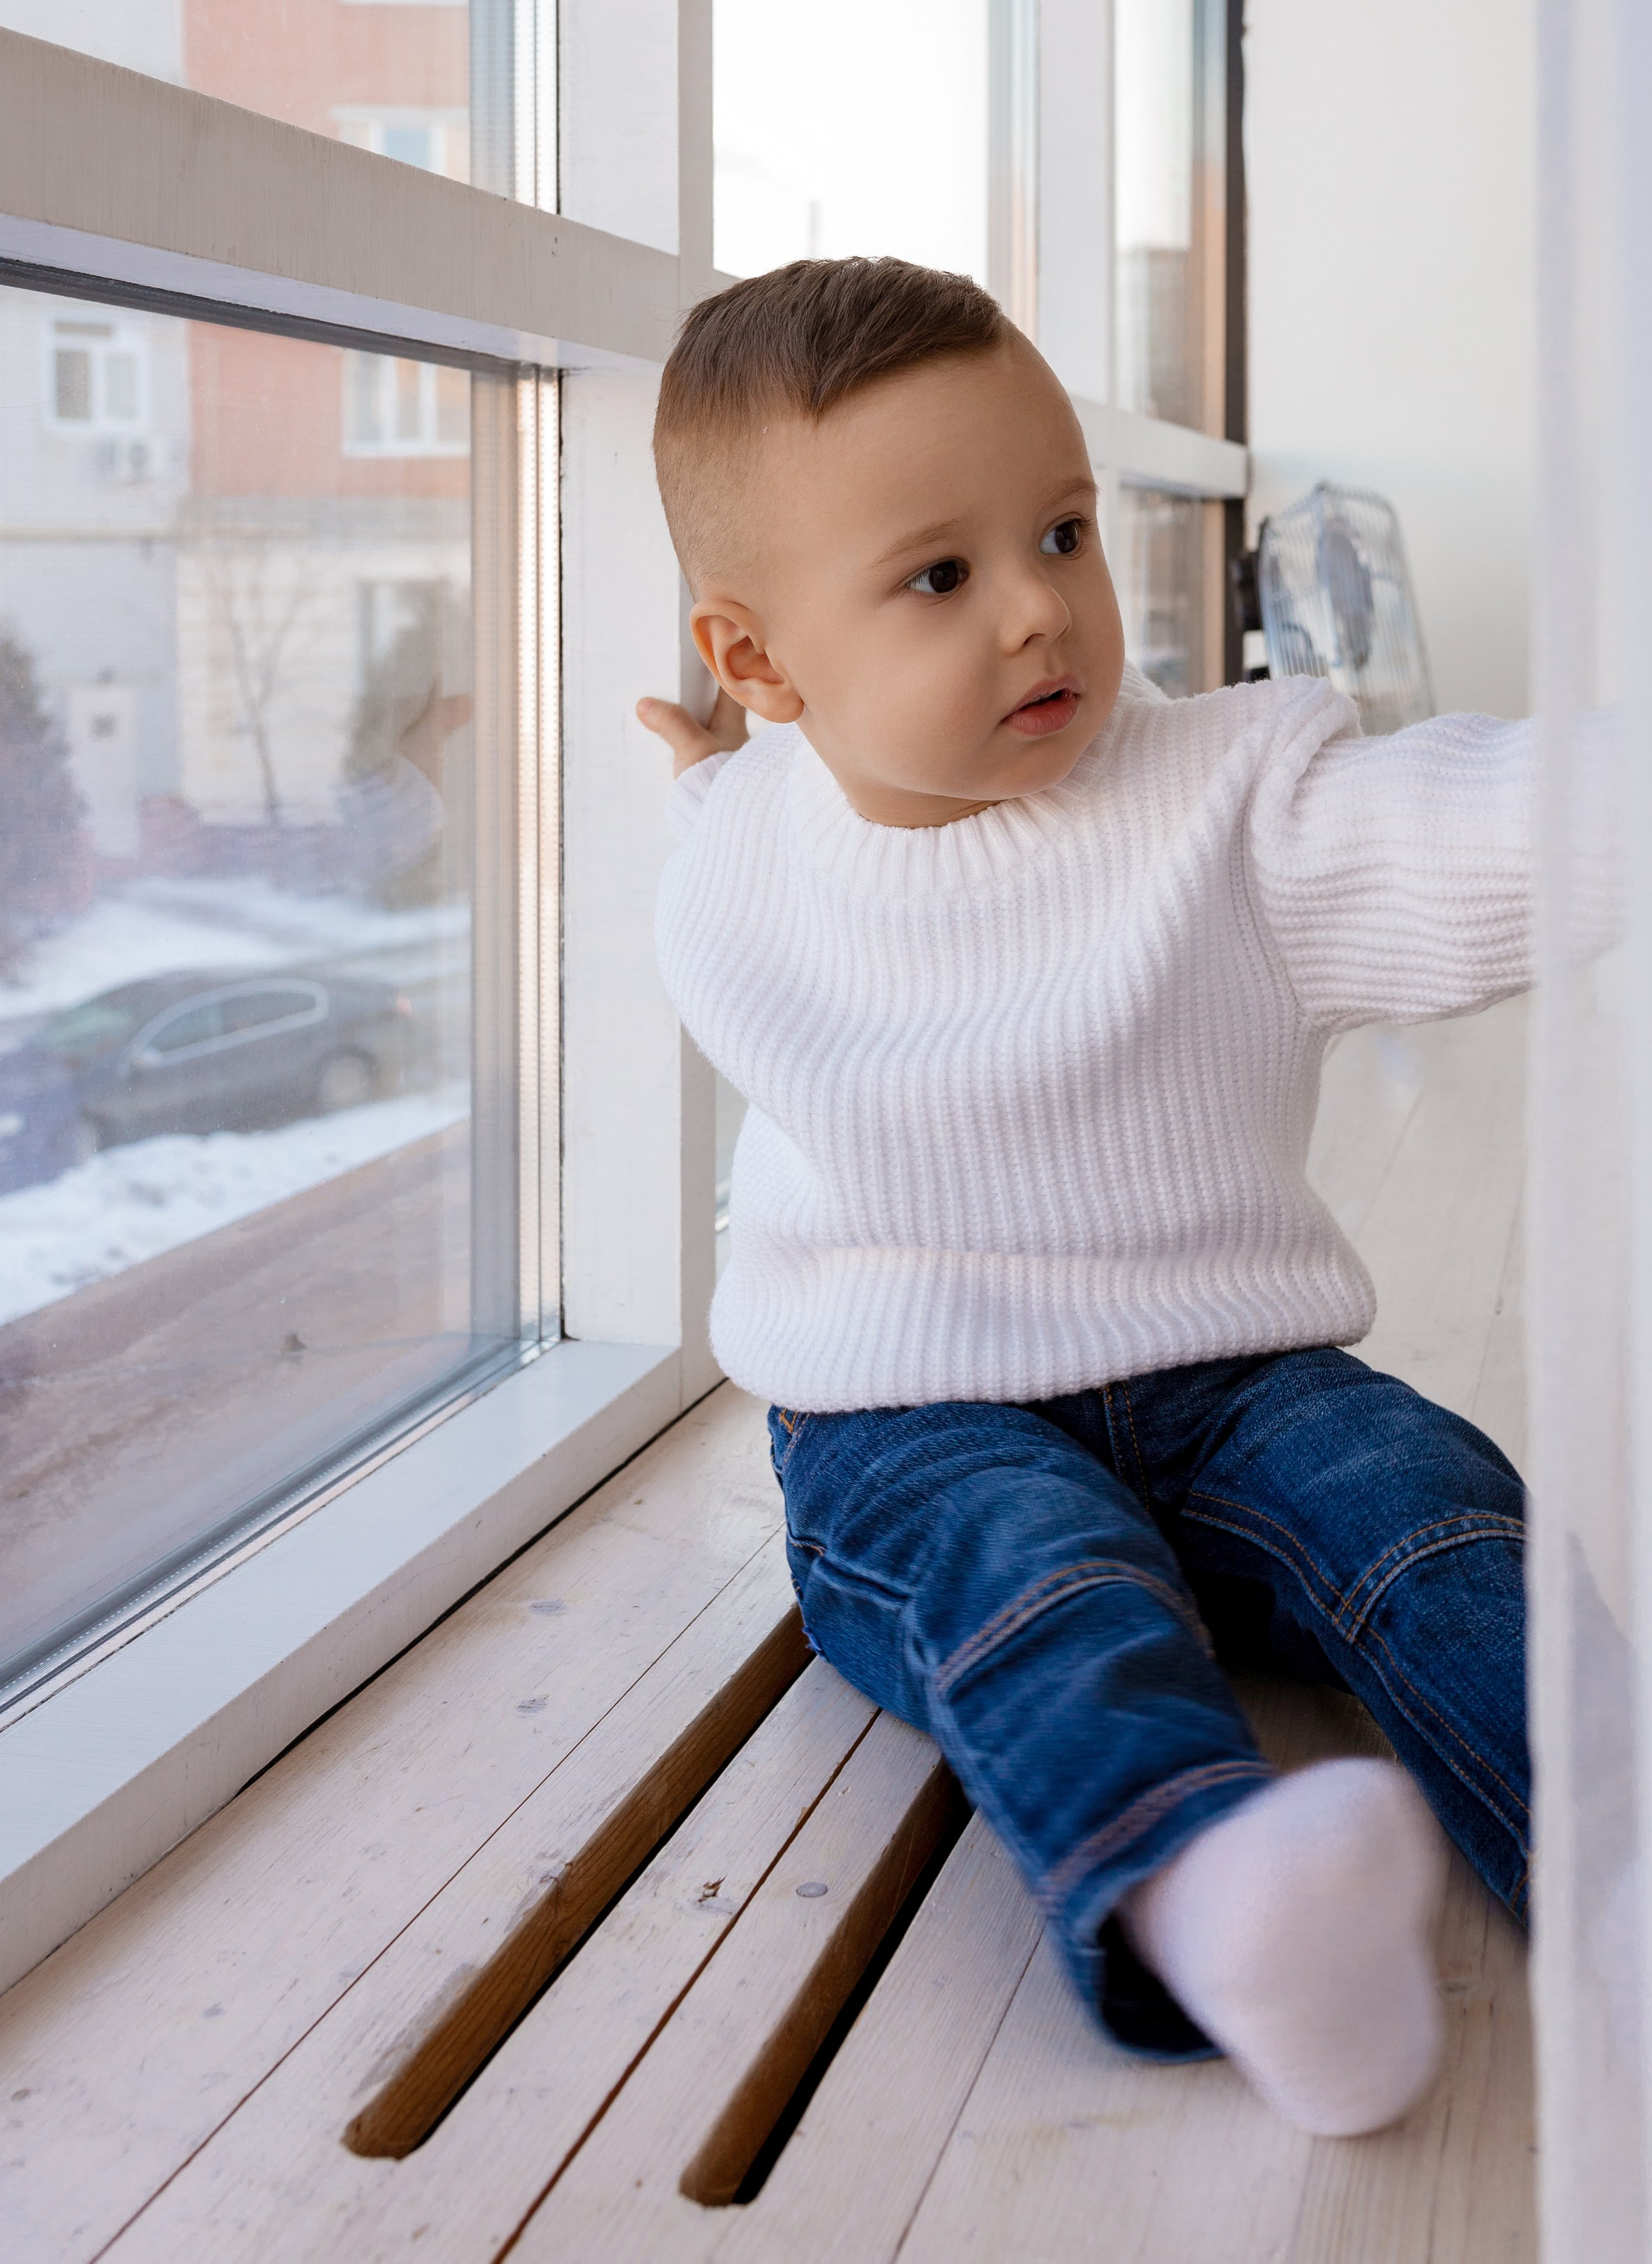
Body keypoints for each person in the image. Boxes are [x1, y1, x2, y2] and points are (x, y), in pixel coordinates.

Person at [638, 256, 1577, 2138]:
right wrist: (732, 766)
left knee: (1436, 1518)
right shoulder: (741, 836)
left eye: (1059, 530)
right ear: (757, 663)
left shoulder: (1231, 799)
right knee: (1034, 1592)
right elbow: (742, 814)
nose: (1038, 613)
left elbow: (1474, 825)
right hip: (907, 1420)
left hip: (1236, 1377)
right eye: (939, 576)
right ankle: (1211, 1895)